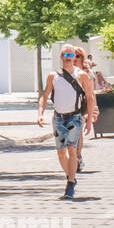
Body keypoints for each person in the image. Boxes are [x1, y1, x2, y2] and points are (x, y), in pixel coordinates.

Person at [36, 46, 97, 200]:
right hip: (58, 118)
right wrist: (40, 113)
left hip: (74, 117)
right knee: (61, 152)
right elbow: (45, 94)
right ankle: (71, 177)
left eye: (72, 54)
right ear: (61, 57)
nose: (69, 57)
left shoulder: (82, 75)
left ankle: (70, 184)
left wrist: (89, 120)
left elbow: (90, 97)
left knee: (72, 149)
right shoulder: (53, 76)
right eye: (66, 54)